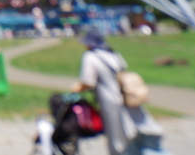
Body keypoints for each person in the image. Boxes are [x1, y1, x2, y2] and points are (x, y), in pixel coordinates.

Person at [70, 27, 167, 155]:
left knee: (118, 137)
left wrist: (75, 88)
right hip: (126, 96)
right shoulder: (112, 54)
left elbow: (88, 81)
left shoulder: (90, 56)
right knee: (136, 129)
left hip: (109, 99)